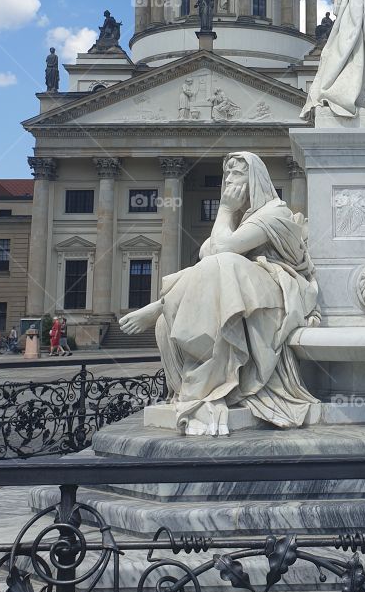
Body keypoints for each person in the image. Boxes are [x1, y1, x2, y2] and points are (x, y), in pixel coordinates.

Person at [120, 151, 319, 436]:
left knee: (225, 264)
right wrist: (229, 213)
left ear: (255, 178)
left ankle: (163, 304)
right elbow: (206, 253)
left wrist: (224, 210)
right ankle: (164, 307)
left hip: (280, 287)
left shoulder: (275, 212)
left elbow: (221, 250)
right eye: (226, 175)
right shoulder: (241, 219)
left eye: (237, 174)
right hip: (245, 285)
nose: (229, 181)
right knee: (218, 267)